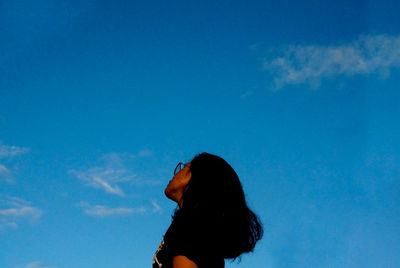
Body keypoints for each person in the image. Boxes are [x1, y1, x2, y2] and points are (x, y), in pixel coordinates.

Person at [153, 152, 263, 268]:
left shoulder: (191, 229)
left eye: (184, 167)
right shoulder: (198, 230)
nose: (175, 173)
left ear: (199, 179)